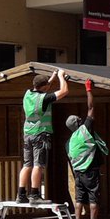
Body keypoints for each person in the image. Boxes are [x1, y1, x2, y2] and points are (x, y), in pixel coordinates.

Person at [17, 69, 69, 204]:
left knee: (27, 164)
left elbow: (43, 88)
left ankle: (21, 194)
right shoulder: (44, 98)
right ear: (44, 87)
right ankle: (34, 195)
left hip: (27, 134)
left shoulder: (28, 94)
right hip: (40, 134)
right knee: (38, 165)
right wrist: (61, 77)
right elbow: (64, 92)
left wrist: (51, 78)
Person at [65, 79, 107, 219]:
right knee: (93, 199)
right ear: (79, 123)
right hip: (91, 172)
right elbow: (91, 108)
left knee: (79, 200)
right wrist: (88, 89)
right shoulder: (85, 130)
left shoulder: (70, 141)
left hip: (78, 173)